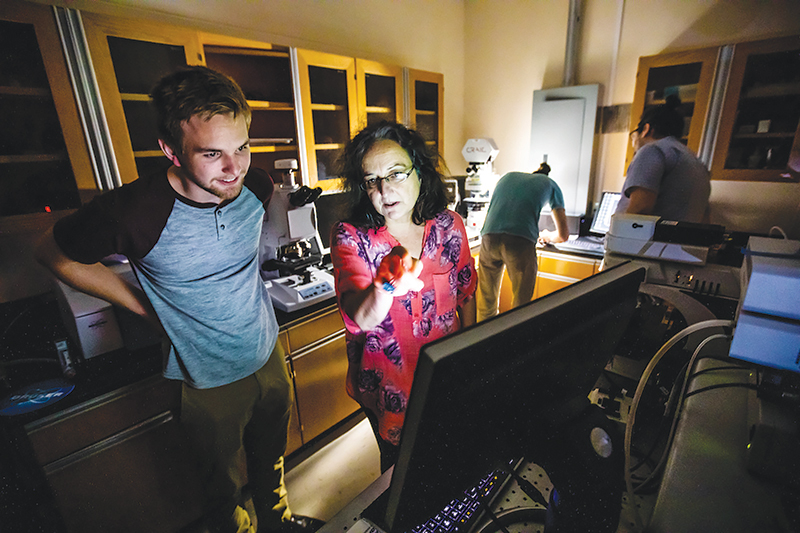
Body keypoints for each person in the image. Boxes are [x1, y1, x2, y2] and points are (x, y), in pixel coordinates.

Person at [35, 66, 320, 533]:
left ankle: (280, 523)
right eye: (212, 154)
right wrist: (144, 306)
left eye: (242, 147)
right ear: (171, 150)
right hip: (203, 377)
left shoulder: (257, 186)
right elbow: (51, 253)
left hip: (266, 354)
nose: (234, 168)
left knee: (271, 461)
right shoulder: (133, 212)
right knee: (221, 489)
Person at [330, 121, 477, 472]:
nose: (384, 189)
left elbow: (466, 294)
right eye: (372, 180)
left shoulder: (449, 226)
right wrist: (384, 286)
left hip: (445, 379)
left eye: (396, 174)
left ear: (419, 173)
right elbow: (360, 318)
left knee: (452, 463)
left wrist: (469, 357)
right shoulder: (352, 238)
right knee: (403, 475)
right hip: (389, 391)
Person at [476, 165, 569, 322]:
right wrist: (547, 236)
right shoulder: (551, 184)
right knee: (521, 306)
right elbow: (563, 235)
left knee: (486, 303)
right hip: (519, 241)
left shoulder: (507, 176)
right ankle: (515, 343)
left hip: (489, 237)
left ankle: (484, 342)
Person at [616, 95, 711, 223]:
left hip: (652, 242)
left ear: (645, 129)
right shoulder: (695, 161)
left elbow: (640, 209)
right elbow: (705, 215)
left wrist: (620, 239)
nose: (634, 144)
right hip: (680, 241)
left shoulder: (652, 150)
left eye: (634, 137)